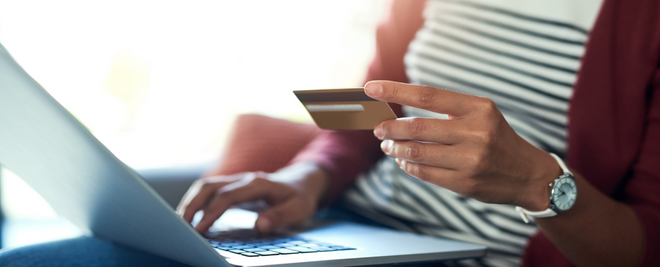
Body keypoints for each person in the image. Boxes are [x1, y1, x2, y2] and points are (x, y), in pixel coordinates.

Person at [1, 0, 659, 266]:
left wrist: (540, 183)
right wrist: (303, 178)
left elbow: (645, 245)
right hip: (352, 227)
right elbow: (365, 109)